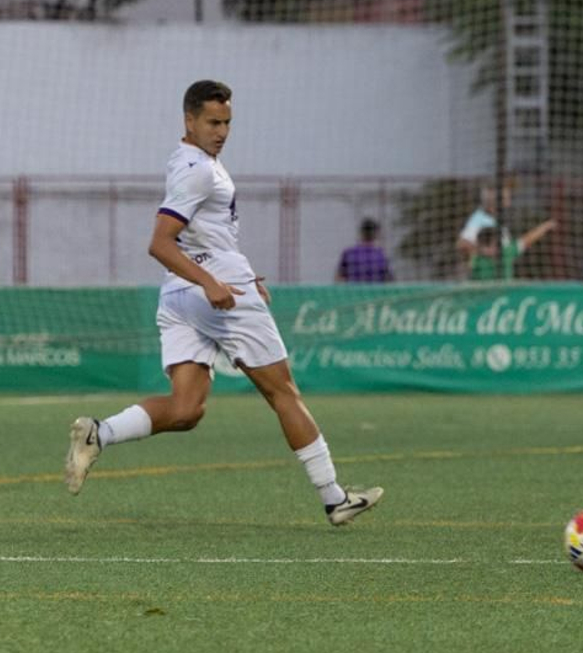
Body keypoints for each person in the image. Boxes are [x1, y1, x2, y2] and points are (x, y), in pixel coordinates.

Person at [63, 80, 383, 526]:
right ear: (188, 120)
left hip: (179, 294)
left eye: (227, 122)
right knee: (283, 392)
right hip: (213, 293)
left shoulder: (185, 161)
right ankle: (334, 498)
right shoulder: (202, 171)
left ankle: (102, 433)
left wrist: (242, 273)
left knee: (186, 409)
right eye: (213, 122)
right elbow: (159, 243)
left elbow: (206, 236)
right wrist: (216, 281)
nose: (222, 130)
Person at [469, 219, 557, 281]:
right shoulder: (477, 260)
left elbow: (527, 240)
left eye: (493, 244)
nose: (492, 248)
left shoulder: (506, 253)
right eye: (484, 245)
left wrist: (546, 226)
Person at [456, 185, 510, 262]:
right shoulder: (479, 218)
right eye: (505, 199)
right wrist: (485, 251)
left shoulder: (498, 219)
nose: (508, 204)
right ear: (494, 200)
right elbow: (461, 244)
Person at [335, 218, 394, 283]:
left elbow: (338, 279)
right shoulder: (381, 255)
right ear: (375, 234)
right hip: (375, 292)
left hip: (354, 292)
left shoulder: (348, 253)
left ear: (361, 233)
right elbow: (389, 280)